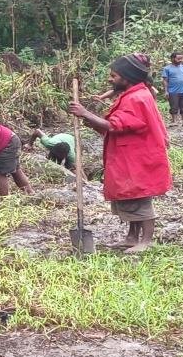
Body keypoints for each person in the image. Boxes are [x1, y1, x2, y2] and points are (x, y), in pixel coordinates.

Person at [68, 53, 172, 254]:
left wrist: (86, 113)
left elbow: (116, 125)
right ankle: (132, 237)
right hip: (130, 157)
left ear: (127, 78)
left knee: (140, 199)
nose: (110, 79)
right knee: (129, 197)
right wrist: (88, 119)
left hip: (138, 159)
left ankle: (146, 240)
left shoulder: (136, 98)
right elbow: (115, 125)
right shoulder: (132, 95)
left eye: (114, 76)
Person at [161, 52, 183, 126]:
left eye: (181, 58)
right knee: (173, 107)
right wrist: (166, 91)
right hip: (172, 91)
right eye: (178, 59)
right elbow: (165, 80)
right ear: (172, 59)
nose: (180, 60)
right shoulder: (167, 68)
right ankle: (174, 121)